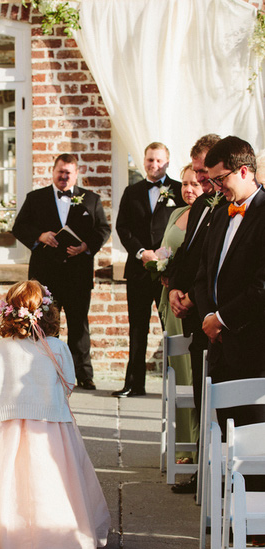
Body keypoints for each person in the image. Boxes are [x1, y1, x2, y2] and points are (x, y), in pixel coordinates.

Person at [0, 280, 110, 549]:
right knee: (52, 483)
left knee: (6, 485)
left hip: (6, 425)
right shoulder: (56, 347)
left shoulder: (0, 349)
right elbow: (68, 382)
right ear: (48, 312)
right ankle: (57, 537)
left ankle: (7, 539)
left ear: (8, 313)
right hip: (50, 426)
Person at [12, 153, 110, 390]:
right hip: (45, 275)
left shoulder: (91, 199)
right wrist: (40, 235)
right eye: (60, 171)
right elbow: (19, 227)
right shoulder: (36, 198)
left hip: (78, 274)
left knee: (79, 325)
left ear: (76, 174)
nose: (64, 176)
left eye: (68, 172)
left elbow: (103, 230)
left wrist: (86, 246)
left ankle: (83, 375)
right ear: (53, 171)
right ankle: (44, 371)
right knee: (44, 324)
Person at [195, 136, 265, 433]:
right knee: (224, 437)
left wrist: (222, 320)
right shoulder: (220, 214)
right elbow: (203, 274)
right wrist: (209, 317)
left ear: (245, 171)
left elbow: (262, 285)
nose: (215, 186)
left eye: (220, 178)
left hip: (252, 345)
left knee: (253, 442)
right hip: (220, 346)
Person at [168, 134, 225, 493]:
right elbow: (190, 256)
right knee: (203, 396)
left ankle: (216, 475)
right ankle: (204, 474)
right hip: (193, 312)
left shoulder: (230, 205)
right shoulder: (203, 205)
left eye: (206, 174)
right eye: (199, 174)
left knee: (220, 400)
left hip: (217, 316)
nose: (202, 181)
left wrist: (197, 299)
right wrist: (174, 286)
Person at [113, 142, 183, 397]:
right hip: (139, 270)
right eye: (150, 160)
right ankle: (134, 384)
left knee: (172, 328)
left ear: (167, 161)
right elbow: (123, 228)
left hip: (168, 272)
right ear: (143, 162)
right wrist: (142, 253)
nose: (155, 165)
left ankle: (178, 385)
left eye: (159, 161)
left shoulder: (179, 189)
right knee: (137, 327)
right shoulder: (132, 192)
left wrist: (163, 256)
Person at [157, 164, 202, 463]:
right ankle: (181, 443)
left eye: (194, 185)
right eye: (184, 184)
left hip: (189, 303)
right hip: (169, 301)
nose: (188, 189)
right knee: (177, 374)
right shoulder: (175, 214)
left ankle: (191, 447)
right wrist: (157, 264)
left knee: (191, 374)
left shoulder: (206, 217)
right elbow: (164, 252)